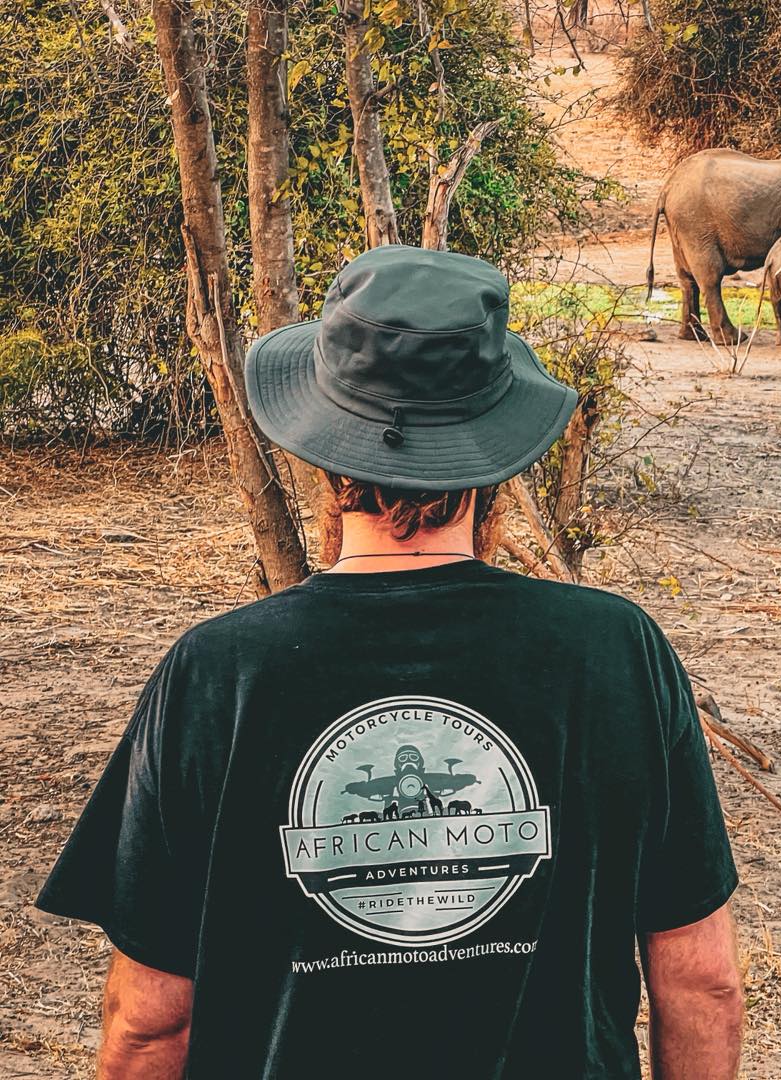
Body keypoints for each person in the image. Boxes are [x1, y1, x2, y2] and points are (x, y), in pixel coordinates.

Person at [36, 245, 743, 1079]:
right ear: (496, 450)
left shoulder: (216, 672)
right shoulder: (618, 651)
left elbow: (151, 1024)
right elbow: (701, 982)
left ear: (322, 449)